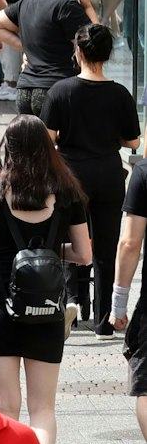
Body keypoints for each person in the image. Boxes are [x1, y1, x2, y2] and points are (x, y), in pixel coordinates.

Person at [0, 115, 92, 444]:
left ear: (8, 149)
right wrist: (49, 251)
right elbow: (84, 254)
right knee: (43, 409)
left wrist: (4, 253)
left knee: (6, 406)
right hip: (47, 307)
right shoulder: (67, 192)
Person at [41, 22, 138, 335]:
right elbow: (133, 140)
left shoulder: (61, 91)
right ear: (107, 55)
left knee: (71, 240)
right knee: (106, 248)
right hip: (109, 173)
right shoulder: (120, 94)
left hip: (71, 174)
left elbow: (47, 139)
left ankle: (72, 300)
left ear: (78, 52)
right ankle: (102, 320)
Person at [0, 0, 97, 117]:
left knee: (32, 135)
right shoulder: (67, 7)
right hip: (57, 88)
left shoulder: (26, 2)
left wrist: (28, 48)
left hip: (25, 91)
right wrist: (88, 6)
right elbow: (96, 44)